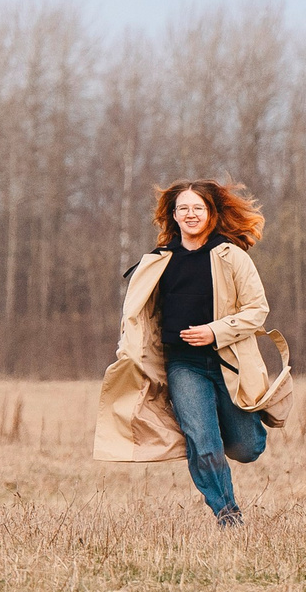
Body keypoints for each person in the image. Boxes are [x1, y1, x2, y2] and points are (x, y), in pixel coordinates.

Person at [92, 179, 289, 526]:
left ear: (211, 213)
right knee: (202, 440)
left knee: (246, 448)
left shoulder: (231, 256)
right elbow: (138, 316)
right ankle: (228, 515)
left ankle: (246, 426)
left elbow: (257, 309)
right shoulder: (158, 262)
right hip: (183, 365)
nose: (190, 214)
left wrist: (214, 331)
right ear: (173, 215)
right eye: (183, 208)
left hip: (229, 362)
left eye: (198, 207)